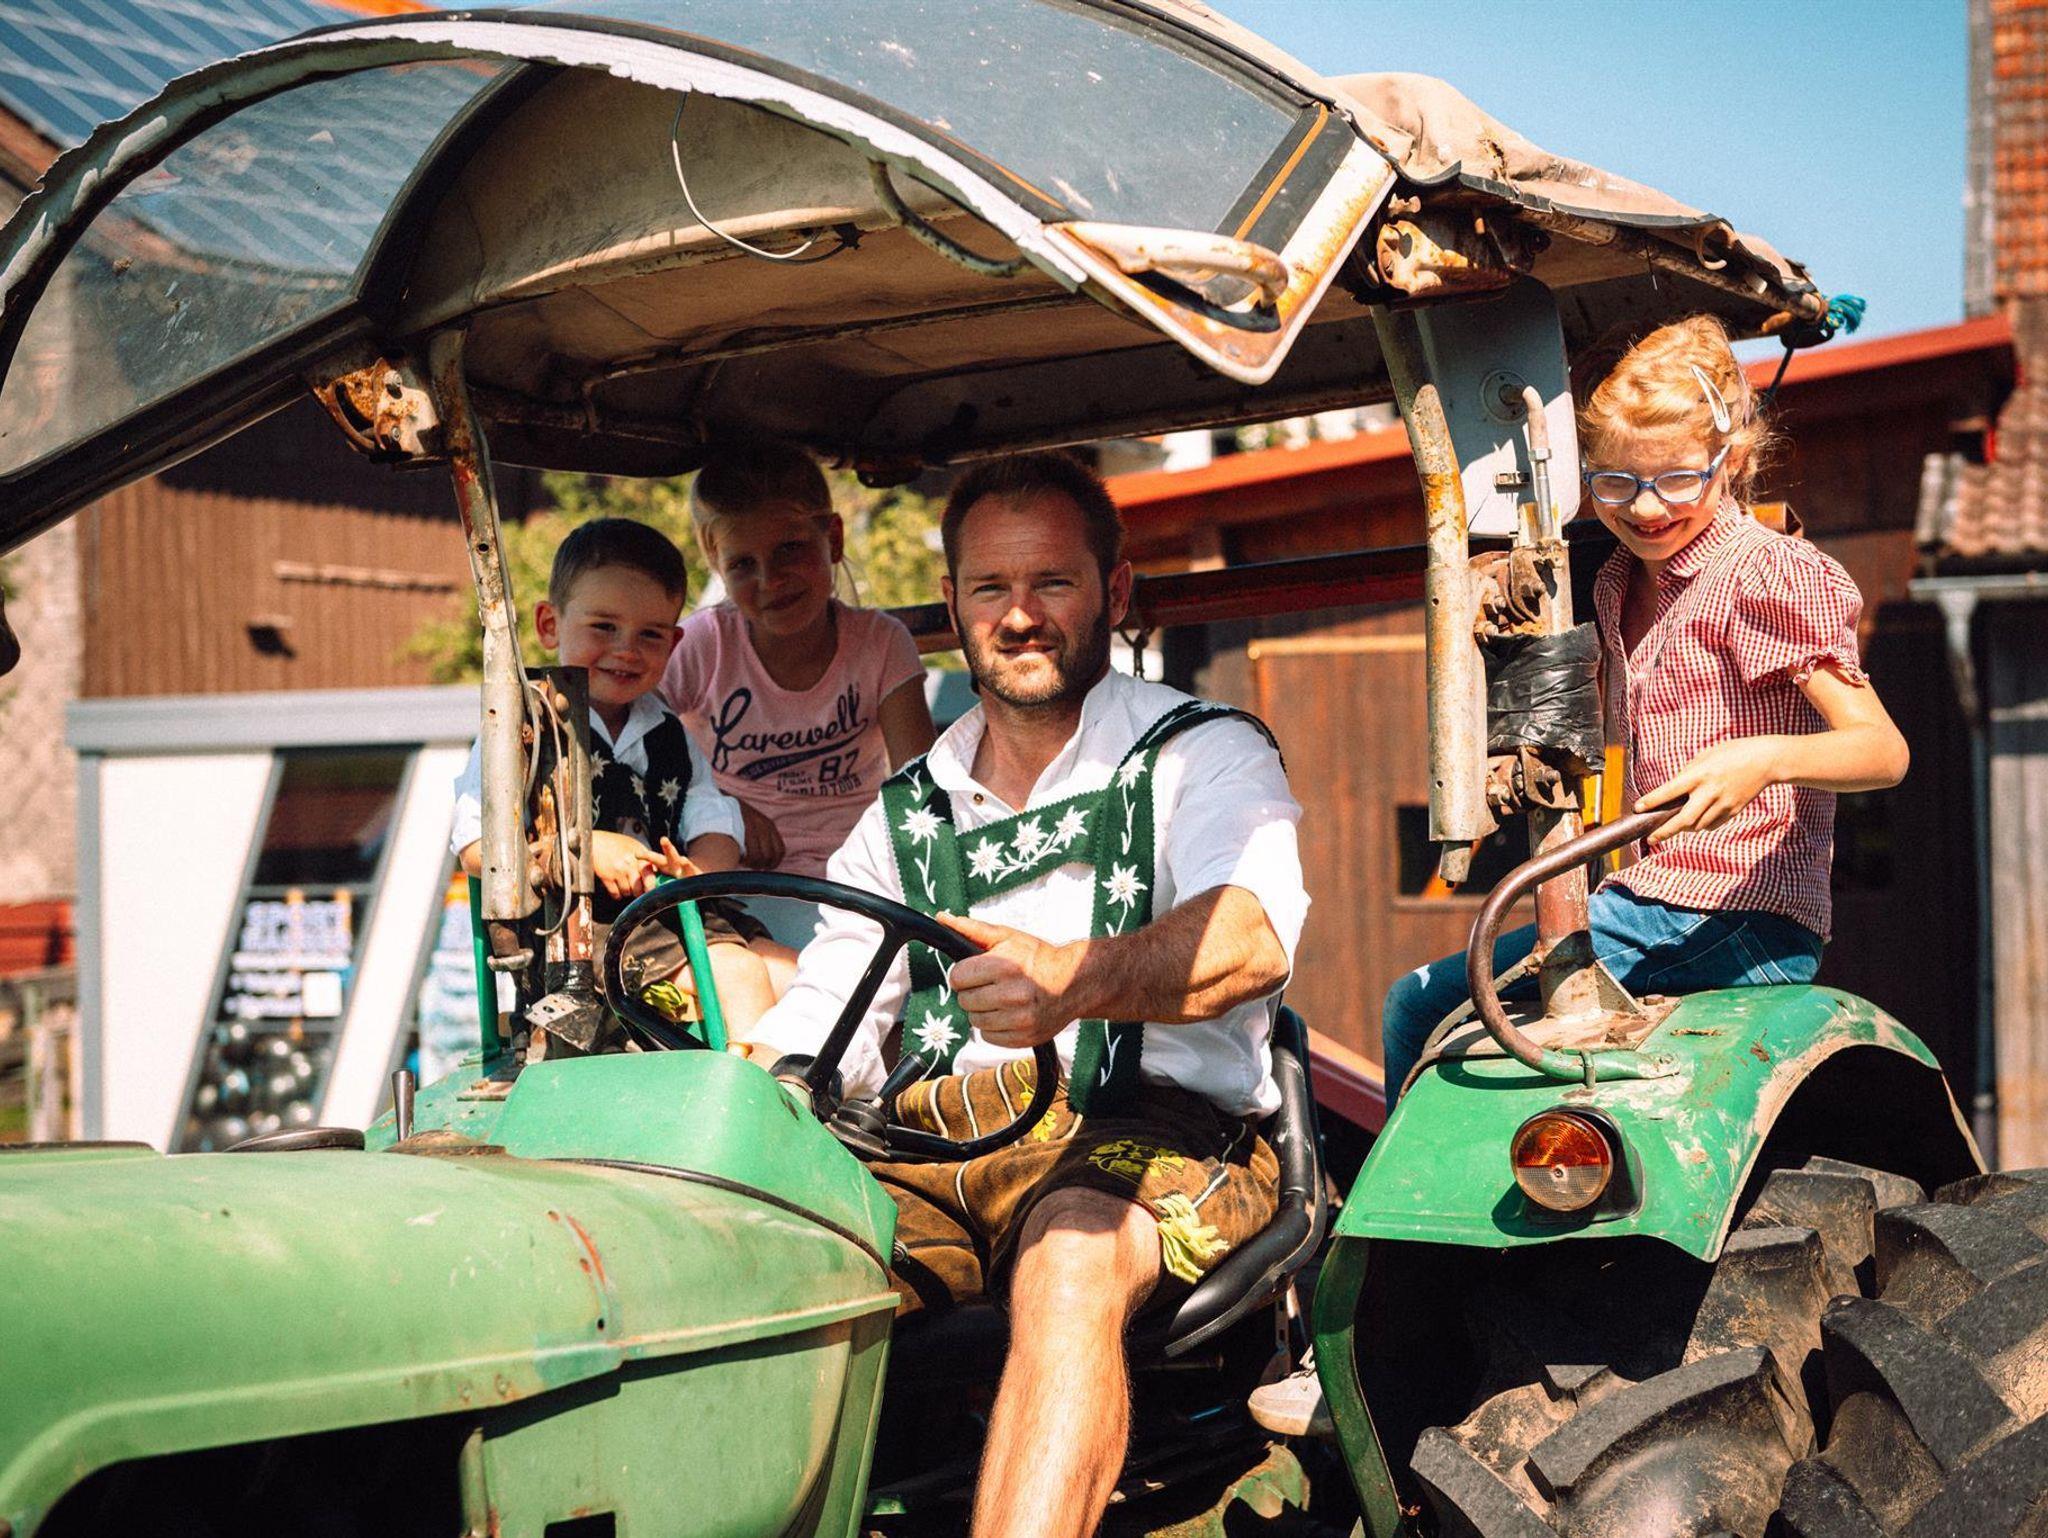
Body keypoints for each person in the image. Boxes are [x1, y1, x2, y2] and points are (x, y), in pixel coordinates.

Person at [744, 451, 1307, 1538]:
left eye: (1051, 581)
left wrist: (1074, 980)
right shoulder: (904, 812)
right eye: (990, 587)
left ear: (1114, 591)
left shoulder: (1204, 752)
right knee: (757, 1267)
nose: (1018, 616)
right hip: (928, 1150)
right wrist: (753, 1096)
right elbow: (826, 1019)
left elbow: (1250, 941)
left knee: (1070, 1260)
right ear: (951, 604)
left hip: (1146, 1130)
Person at [1378, 314, 1911, 1097]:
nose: (1649, 509)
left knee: (1418, 1007)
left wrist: (1764, 759)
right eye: (1617, 484)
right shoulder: (1614, 580)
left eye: (1678, 480)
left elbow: (1882, 751)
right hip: (1653, 901)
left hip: (1737, 913)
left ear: (1731, 461)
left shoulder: (1765, 573)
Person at [452, 517, 792, 1032]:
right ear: (549, 624)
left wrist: (694, 870)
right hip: (580, 940)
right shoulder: (523, 727)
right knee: (739, 976)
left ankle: (795, 1078)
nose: (627, 650)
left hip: (675, 914)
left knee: (805, 977)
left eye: (650, 634)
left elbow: (715, 826)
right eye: (604, 627)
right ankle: (757, 1085)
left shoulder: (669, 732)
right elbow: (477, 848)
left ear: (674, 642)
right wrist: (579, 851)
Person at [662, 442, 935, 883]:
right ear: (717, 565)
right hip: (734, 878)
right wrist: (721, 804)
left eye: (790, 549)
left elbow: (919, 791)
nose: (770, 580)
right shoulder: (703, 644)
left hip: (859, 877)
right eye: (743, 563)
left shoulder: (881, 643)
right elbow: (631, 746)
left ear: (834, 539)